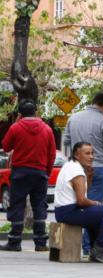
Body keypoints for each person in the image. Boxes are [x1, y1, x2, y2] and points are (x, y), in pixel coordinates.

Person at [64, 92, 103, 255]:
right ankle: (90, 246)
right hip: (98, 167)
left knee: (80, 202)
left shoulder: (73, 117)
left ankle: (88, 245)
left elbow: (66, 140)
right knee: (93, 205)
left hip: (76, 168)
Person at [0, 101, 56, 252]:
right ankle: (40, 242)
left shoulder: (16, 128)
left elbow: (5, 146)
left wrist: (16, 123)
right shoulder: (47, 129)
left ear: (20, 114)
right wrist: (47, 172)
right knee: (39, 205)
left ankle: (14, 241)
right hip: (40, 173)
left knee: (17, 204)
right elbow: (52, 154)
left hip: (20, 173)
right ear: (36, 113)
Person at [53, 142, 103, 263]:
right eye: (87, 153)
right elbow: (81, 201)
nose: (91, 156)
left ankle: (94, 249)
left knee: (97, 215)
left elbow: (83, 193)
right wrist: (96, 203)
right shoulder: (76, 171)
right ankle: (99, 250)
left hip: (63, 210)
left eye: (92, 153)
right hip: (69, 211)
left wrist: (89, 177)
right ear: (77, 155)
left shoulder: (70, 165)